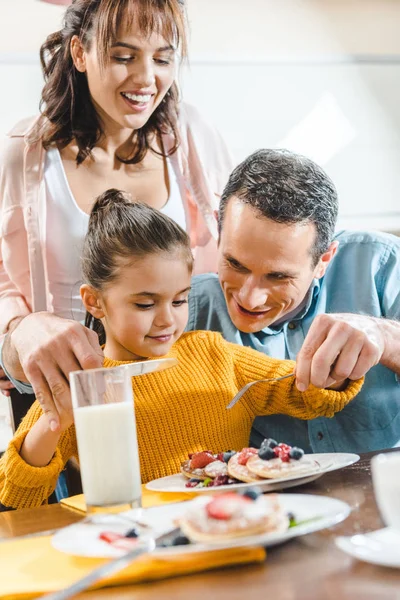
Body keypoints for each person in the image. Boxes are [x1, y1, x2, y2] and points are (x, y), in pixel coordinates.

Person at [0, 189, 363, 509]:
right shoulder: (82, 383)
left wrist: (330, 367)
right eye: (145, 305)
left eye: (179, 301)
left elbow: (306, 394)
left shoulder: (214, 354)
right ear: (94, 302)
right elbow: (16, 495)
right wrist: (55, 422)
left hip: (233, 527)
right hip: (140, 545)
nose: (166, 321)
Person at [0, 0, 233, 403]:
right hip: (68, 392)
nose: (146, 78)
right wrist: (20, 328)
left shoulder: (191, 135)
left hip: (178, 384)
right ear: (79, 53)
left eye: (163, 58)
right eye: (124, 56)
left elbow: (232, 248)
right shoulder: (25, 155)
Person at [186, 149, 400, 454]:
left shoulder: (385, 266)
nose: (249, 297)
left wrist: (387, 339)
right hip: (263, 500)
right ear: (220, 230)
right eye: (235, 264)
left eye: (278, 277)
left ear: (324, 259)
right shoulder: (185, 309)